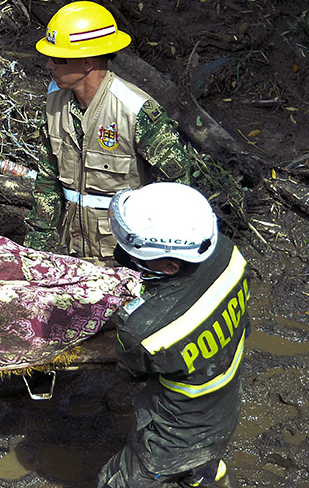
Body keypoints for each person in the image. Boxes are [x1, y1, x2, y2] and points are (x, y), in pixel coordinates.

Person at [98, 182, 249, 488]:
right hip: (226, 404)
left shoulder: (143, 330)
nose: (130, 261)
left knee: (115, 481)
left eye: (138, 258)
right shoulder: (227, 253)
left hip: (176, 433)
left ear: (169, 265)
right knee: (203, 470)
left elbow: (130, 371)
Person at [26, 1, 191, 260]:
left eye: (57, 58)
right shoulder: (54, 101)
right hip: (75, 254)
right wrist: (35, 253)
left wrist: (160, 259)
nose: (48, 65)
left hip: (125, 257)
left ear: (87, 63)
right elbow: (48, 182)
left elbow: (176, 192)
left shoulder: (136, 112)